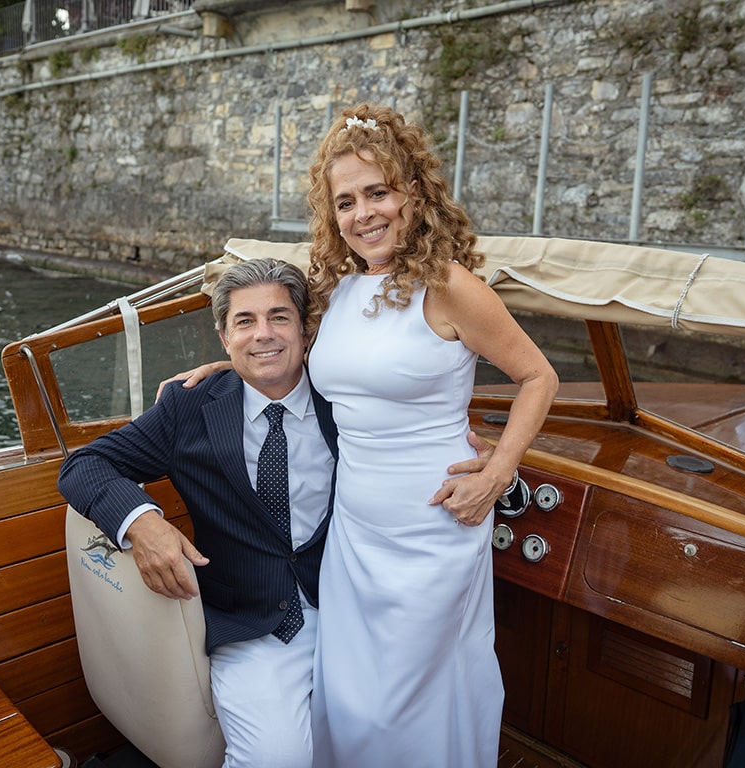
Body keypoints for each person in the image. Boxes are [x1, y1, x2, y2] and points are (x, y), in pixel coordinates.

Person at [173, 104, 558, 766]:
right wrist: (229, 367)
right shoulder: (339, 289)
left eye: (378, 192)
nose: (363, 214)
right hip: (353, 532)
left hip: (433, 527)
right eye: (346, 202)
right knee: (352, 696)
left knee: (410, 702)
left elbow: (538, 377)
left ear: (414, 192)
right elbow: (307, 360)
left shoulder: (449, 287)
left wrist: (499, 473)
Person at [58, 258, 335, 768]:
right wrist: (142, 523)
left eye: (279, 317)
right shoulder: (188, 407)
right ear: (225, 338)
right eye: (245, 321)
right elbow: (85, 465)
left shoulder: (345, 395)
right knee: (275, 758)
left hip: (352, 607)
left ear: (305, 329)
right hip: (252, 623)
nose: (263, 334)